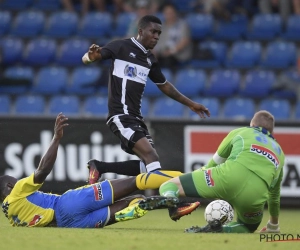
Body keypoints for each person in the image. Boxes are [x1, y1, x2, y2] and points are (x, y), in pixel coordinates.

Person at [0, 113, 200, 228]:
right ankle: (189, 181)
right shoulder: (17, 191)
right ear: (10, 185)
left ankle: (153, 206)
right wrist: (56, 138)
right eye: (15, 180)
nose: (18, 181)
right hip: (67, 203)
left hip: (70, 225)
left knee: (134, 201)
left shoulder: (12, 218)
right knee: (136, 181)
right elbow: (42, 171)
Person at [82, 15, 210, 186]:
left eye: (159, 33)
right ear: (141, 31)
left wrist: (191, 104)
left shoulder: (150, 59)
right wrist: (90, 57)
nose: (157, 36)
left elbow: (164, 85)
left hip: (136, 118)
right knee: (152, 157)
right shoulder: (120, 46)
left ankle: (99, 167)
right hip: (121, 114)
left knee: (146, 165)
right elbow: (91, 57)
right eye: (153, 32)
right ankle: (170, 201)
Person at [138, 110, 285, 233]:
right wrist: (273, 225)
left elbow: (214, 163)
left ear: (252, 124)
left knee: (169, 186)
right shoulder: (280, 152)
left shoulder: (241, 132)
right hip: (255, 195)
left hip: (226, 178)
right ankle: (221, 229)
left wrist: (196, 177)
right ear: (272, 131)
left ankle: (171, 199)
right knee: (247, 227)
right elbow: (274, 195)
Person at [152, 3, 192, 70]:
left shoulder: (182, 25)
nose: (169, 15)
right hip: (162, 53)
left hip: (177, 55)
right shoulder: (161, 26)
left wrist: (171, 51)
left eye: (171, 13)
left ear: (175, 13)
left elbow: (185, 41)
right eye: (166, 13)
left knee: (167, 60)